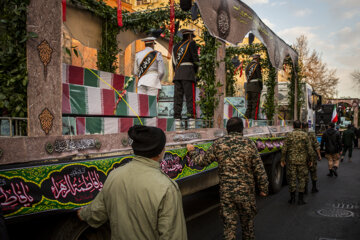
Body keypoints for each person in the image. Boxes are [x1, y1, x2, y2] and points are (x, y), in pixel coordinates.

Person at [78, 125, 187, 240]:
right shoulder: (167, 188)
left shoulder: (114, 176)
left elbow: (97, 213)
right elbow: (173, 235)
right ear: (160, 152)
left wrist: (83, 214)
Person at [186, 117, 268, 240]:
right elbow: (259, 169)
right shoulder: (249, 144)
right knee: (248, 226)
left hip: (227, 193)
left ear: (227, 130)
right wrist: (263, 188)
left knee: (229, 227)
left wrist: (192, 151)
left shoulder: (219, 144)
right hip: (246, 192)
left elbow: (202, 162)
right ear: (242, 129)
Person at [281, 120, 313, 205]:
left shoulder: (289, 135)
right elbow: (309, 149)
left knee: (292, 179)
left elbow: (284, 149)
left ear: (293, 126)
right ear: (301, 126)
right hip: (302, 161)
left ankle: (292, 198)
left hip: (291, 161)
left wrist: (282, 160)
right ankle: (300, 199)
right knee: (301, 179)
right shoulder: (305, 135)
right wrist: (311, 160)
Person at [172, 29, 199, 129]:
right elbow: (195, 59)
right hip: (188, 73)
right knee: (190, 98)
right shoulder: (191, 43)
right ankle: (191, 120)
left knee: (178, 98)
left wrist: (177, 72)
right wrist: (195, 72)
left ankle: (177, 120)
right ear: (190, 36)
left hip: (178, 73)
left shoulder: (176, 46)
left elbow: (174, 63)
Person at [302, 122, 322, 193]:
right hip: (312, 156)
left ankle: (305, 189)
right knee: (313, 171)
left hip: (303, 156)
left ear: (301, 126)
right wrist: (319, 156)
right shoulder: (311, 134)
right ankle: (314, 188)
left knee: (304, 173)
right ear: (307, 127)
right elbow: (316, 146)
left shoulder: (300, 134)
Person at [245, 54, 263, 120]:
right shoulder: (257, 65)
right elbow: (259, 77)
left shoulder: (248, 66)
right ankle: (254, 120)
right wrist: (261, 86)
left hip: (248, 87)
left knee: (249, 105)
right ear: (257, 59)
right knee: (255, 105)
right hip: (255, 87)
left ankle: (246, 119)